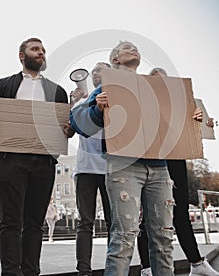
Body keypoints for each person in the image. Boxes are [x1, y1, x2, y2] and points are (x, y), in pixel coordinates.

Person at [70, 41, 176, 276]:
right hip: (124, 166)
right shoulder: (108, 86)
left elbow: (173, 121)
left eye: (136, 48)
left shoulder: (153, 87)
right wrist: (97, 109)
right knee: (124, 237)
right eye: (127, 48)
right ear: (115, 60)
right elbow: (79, 122)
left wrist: (192, 116)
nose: (134, 49)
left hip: (159, 167)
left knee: (164, 238)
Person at [0, 37, 73, 276]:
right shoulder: (4, 86)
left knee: (35, 223)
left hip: (44, 162)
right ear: (22, 56)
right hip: (12, 161)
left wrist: (69, 129)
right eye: (35, 49)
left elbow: (65, 128)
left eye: (43, 50)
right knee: (11, 221)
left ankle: (31, 271)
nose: (41, 53)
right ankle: (11, 272)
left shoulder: (57, 91)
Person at [137, 67, 219, 276]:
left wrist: (200, 123)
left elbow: (197, 135)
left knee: (180, 212)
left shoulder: (180, 107)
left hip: (175, 160)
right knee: (148, 215)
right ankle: (147, 267)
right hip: (151, 161)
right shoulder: (142, 105)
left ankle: (197, 262)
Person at [70, 62, 111, 276]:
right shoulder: (82, 101)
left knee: (114, 222)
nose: (96, 73)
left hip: (110, 169)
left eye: (100, 70)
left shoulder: (117, 97)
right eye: (93, 71)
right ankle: (84, 270)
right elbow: (69, 128)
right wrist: (74, 104)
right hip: (85, 168)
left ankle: (113, 268)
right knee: (85, 222)